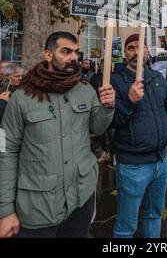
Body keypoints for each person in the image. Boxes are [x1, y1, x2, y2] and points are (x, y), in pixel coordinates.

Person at [0, 31, 115, 239]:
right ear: (48, 54)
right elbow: (5, 150)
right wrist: (5, 210)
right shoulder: (22, 97)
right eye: (66, 51)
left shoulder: (85, 89)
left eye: (76, 52)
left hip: (81, 200)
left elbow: (98, 129)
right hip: (37, 209)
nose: (74, 57)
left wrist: (108, 107)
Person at [110, 33, 167, 238]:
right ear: (125, 53)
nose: (136, 52)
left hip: (162, 160)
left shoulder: (156, 77)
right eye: (131, 48)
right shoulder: (115, 81)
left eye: (140, 47)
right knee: (126, 226)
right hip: (133, 165)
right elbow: (110, 122)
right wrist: (129, 100)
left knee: (154, 214)